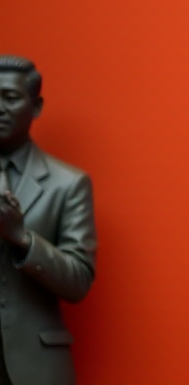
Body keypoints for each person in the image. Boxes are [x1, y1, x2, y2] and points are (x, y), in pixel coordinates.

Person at [0, 55, 97, 385]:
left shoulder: (68, 184)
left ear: (36, 106)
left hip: (35, 368)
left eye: (10, 98)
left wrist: (23, 240)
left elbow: (79, 281)